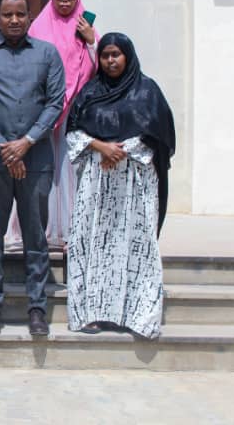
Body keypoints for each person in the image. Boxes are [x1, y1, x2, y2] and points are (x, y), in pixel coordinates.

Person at [0, 0, 65, 338]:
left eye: (20, 14)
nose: (14, 20)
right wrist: (5, 148)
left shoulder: (48, 54)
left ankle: (37, 308)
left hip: (35, 159)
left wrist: (26, 143)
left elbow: (55, 102)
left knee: (36, 236)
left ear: (29, 15)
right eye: (7, 14)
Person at [65, 33, 175, 339]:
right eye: (105, 55)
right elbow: (72, 133)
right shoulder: (90, 92)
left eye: (116, 55)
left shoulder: (147, 91)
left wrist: (120, 151)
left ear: (127, 55)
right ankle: (93, 314)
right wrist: (101, 146)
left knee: (134, 244)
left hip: (134, 186)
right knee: (95, 245)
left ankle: (137, 314)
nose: (110, 61)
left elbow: (159, 134)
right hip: (96, 185)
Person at [6, 0, 98, 249]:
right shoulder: (38, 27)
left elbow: (100, 66)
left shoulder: (86, 27)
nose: (65, 0)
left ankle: (69, 232)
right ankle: (27, 232)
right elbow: (24, 64)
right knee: (37, 167)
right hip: (41, 109)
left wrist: (91, 41)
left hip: (74, 112)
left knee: (68, 169)